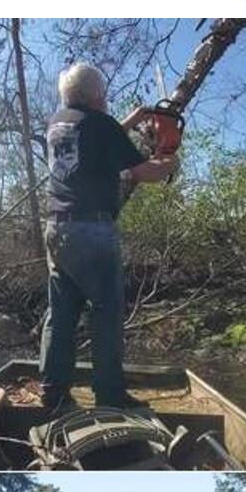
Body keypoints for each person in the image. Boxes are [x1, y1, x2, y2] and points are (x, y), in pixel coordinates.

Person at [38, 63, 180, 414]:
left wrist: (130, 120)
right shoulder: (100, 125)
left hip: (57, 228)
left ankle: (53, 394)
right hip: (93, 231)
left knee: (61, 313)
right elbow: (143, 172)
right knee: (107, 314)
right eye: (103, 93)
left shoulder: (57, 124)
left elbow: (91, 140)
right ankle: (110, 396)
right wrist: (170, 162)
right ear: (94, 95)